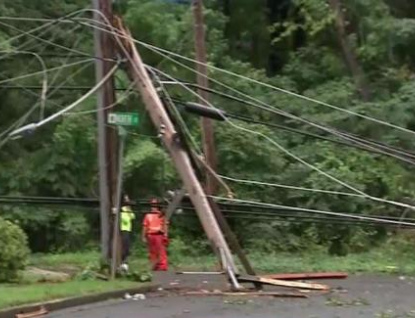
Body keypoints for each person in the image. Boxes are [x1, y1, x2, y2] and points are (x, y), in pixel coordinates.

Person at [142, 198, 169, 271]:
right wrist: (143, 236)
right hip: (150, 235)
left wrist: (165, 235)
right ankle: (154, 266)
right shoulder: (148, 215)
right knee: (152, 252)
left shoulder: (161, 214)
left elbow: (165, 224)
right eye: (152, 205)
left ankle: (162, 266)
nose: (153, 206)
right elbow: (145, 226)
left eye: (155, 205)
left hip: (159, 234)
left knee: (161, 251)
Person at [120, 194, 135, 271]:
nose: (127, 201)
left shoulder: (128, 209)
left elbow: (133, 217)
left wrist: (129, 210)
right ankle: (122, 262)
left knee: (127, 247)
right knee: (124, 246)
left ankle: (125, 262)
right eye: (126, 199)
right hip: (123, 229)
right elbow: (124, 220)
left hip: (128, 229)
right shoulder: (122, 209)